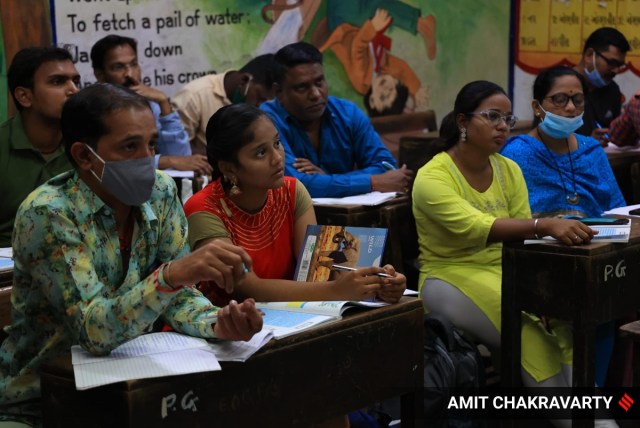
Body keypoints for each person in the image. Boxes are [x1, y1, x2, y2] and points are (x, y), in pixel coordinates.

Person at [0, 84, 263, 426]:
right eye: (129, 146)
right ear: (83, 156)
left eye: (152, 144)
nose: (147, 158)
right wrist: (171, 275)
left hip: (133, 390)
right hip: (41, 404)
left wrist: (217, 323)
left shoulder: (161, 192)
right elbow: (94, 331)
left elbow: (178, 298)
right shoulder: (49, 213)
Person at [412, 80, 612, 428]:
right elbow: (480, 227)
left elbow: (521, 244)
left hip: (506, 269)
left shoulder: (508, 170)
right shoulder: (433, 176)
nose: (503, 126)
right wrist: (544, 225)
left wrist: (542, 292)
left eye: (507, 118)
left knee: (561, 322)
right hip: (449, 276)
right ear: (462, 121)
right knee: (528, 329)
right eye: (492, 117)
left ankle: (598, 420)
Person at [184, 103, 406, 306]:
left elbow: (317, 268)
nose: (278, 158)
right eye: (261, 152)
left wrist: (377, 281)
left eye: (277, 143)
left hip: (291, 317)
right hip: (226, 327)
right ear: (229, 168)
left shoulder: (292, 190)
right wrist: (337, 290)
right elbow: (247, 288)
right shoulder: (204, 208)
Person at [501, 66, 627, 390]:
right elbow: (513, 219)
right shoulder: (517, 154)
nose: (570, 108)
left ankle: (595, 391)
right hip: (543, 257)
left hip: (597, 252)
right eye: (559, 99)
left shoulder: (590, 150)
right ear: (537, 106)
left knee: (610, 300)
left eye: (577, 100)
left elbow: (616, 208)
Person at [261, 42, 413, 198]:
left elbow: (386, 167)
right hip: (293, 221)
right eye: (302, 87)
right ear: (278, 92)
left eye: (319, 82)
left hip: (345, 217)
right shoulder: (265, 122)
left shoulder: (347, 112)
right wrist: (371, 182)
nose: (316, 94)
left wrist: (325, 180)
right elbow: (295, 185)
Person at [90, 34, 211, 176]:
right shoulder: (90, 109)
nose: (130, 74)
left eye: (134, 64)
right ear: (100, 75)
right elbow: (109, 163)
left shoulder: (149, 105)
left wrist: (164, 103)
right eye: (118, 67)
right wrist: (167, 161)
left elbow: (182, 160)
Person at [0, 47, 80, 247]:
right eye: (57, 81)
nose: (73, 90)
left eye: (75, 81)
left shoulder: (86, 145)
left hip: (78, 259)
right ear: (24, 97)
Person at [171, 54, 279, 155]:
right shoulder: (194, 96)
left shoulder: (254, 107)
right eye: (259, 97)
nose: (259, 105)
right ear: (244, 80)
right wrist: (225, 155)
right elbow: (174, 150)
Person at [573, 27, 630, 145]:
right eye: (612, 63)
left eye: (620, 65)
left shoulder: (613, 90)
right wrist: (586, 143)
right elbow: (544, 144)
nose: (616, 70)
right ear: (589, 55)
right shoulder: (556, 87)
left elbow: (614, 136)